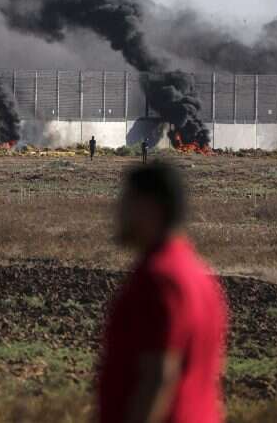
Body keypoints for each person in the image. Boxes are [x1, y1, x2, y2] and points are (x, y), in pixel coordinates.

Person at [97, 163, 228, 423]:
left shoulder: (159, 278)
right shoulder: (200, 275)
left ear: (150, 207)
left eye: (126, 203)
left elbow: (159, 375)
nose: (118, 214)